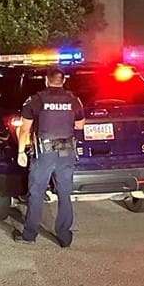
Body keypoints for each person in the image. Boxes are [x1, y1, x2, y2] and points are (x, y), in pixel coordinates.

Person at [13, 66, 85, 247]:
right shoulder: (74, 100)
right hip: (66, 153)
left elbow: (24, 130)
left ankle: (29, 235)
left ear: (46, 80)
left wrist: (21, 151)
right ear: (64, 81)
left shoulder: (36, 100)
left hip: (44, 154)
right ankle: (64, 237)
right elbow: (80, 125)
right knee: (64, 194)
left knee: (36, 193)